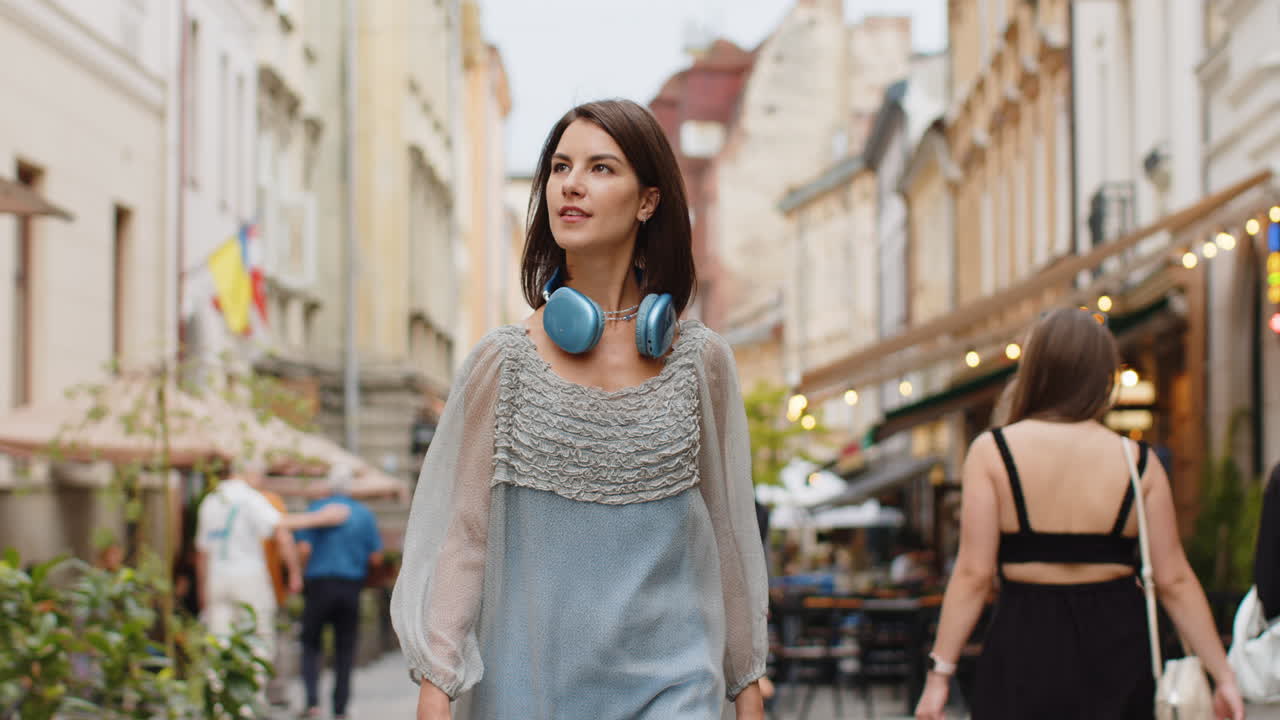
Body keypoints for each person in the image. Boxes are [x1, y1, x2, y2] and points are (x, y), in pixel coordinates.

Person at [391, 98, 768, 720]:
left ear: (648, 201)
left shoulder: (702, 361)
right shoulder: (503, 363)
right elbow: (464, 535)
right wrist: (438, 681)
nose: (571, 183)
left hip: (675, 687)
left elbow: (729, 532)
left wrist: (746, 681)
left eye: (600, 168)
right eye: (561, 167)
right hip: (530, 690)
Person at [914, 308, 1244, 720]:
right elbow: (1173, 578)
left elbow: (973, 575)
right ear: (1103, 376)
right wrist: (1223, 675)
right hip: (1119, 645)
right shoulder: (1138, 460)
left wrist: (938, 675)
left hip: (1024, 643)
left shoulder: (992, 452)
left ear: (1035, 370)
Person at [195, 460, 349, 664]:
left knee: (219, 640)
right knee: (258, 638)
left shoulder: (211, 501)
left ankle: (217, 690)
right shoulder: (249, 497)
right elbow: (279, 524)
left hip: (217, 579)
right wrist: (323, 517)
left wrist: (203, 594)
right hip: (248, 576)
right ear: (250, 472)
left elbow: (202, 553)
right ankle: (254, 691)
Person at [294, 464, 384, 720]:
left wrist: (301, 573)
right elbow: (376, 558)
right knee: (345, 647)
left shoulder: (316, 510)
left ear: (328, 486)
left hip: (319, 584)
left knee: (311, 643)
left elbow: (303, 549)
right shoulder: (364, 515)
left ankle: (312, 704)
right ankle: (340, 708)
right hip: (350, 586)